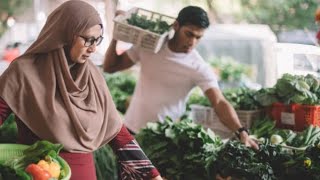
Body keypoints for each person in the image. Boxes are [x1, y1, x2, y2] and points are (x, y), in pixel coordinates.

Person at [0, 1, 163, 180]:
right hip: (38, 174)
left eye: (97, 40)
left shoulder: (92, 75)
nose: (93, 48)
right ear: (65, 34)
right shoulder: (23, 73)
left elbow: (116, 131)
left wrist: (152, 175)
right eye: (88, 39)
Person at [104, 6, 259, 150]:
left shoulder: (198, 67)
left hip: (163, 139)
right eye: (189, 34)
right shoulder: (149, 45)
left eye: (198, 37)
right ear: (176, 26)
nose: (192, 42)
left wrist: (241, 131)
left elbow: (219, 102)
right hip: (130, 130)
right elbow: (110, 67)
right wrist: (117, 34)